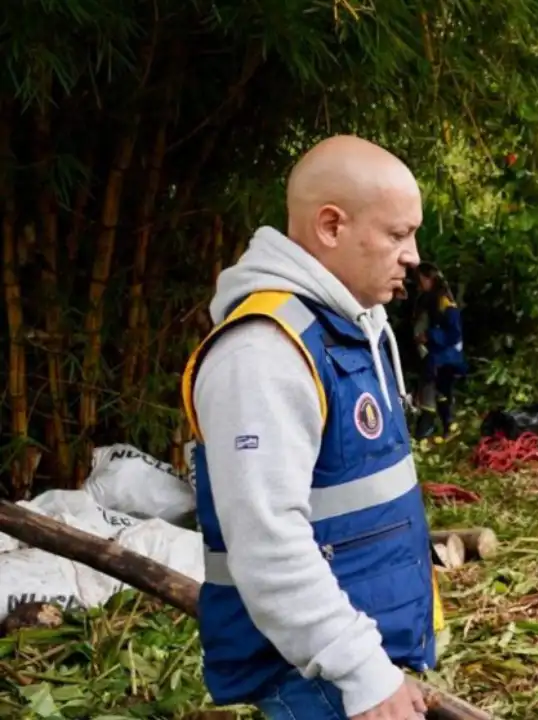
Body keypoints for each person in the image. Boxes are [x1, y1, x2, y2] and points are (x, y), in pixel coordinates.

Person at [179, 134, 445, 720]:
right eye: (398, 234)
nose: (414, 255)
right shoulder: (263, 353)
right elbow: (268, 540)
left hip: (354, 660)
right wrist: (363, 672)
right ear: (330, 226)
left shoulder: (356, 324)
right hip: (314, 676)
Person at [410, 262, 468, 440]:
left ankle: (424, 432)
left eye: (421, 279)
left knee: (429, 387)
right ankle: (448, 425)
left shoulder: (445, 302)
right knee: (441, 390)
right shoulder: (429, 298)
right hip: (437, 355)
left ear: (430, 279)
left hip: (447, 356)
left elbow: (453, 334)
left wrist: (429, 336)